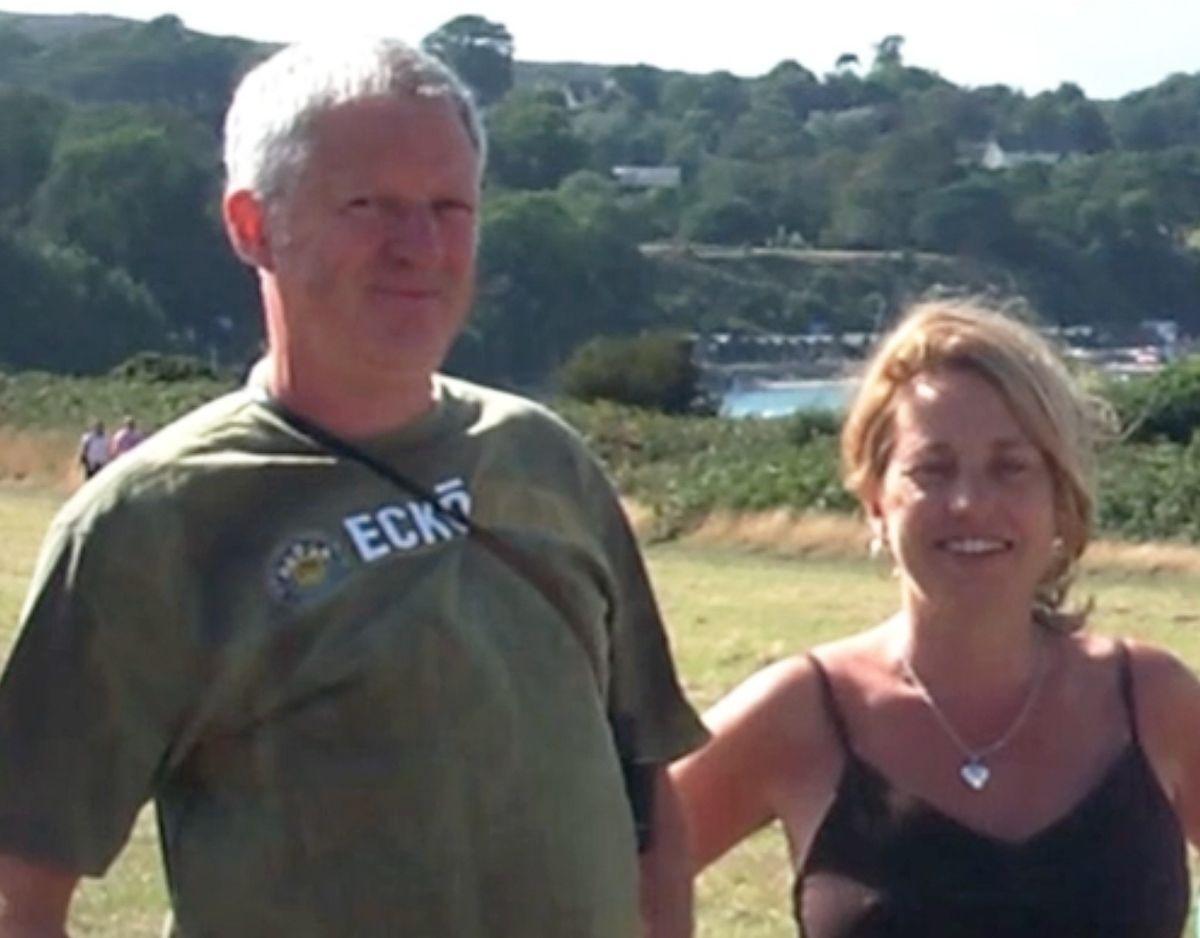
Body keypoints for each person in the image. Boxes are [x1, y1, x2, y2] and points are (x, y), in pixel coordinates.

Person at [0, 38, 706, 938]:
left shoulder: (543, 461)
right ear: (253, 225)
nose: (419, 246)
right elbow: (22, 888)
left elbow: (647, 787)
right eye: (369, 205)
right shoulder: (153, 521)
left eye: (451, 206)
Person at [672, 300, 1200, 937]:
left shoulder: (1150, 701)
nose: (970, 503)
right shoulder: (802, 712)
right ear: (875, 502)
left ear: (1061, 499)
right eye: (932, 469)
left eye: (1010, 468)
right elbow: (594, 877)